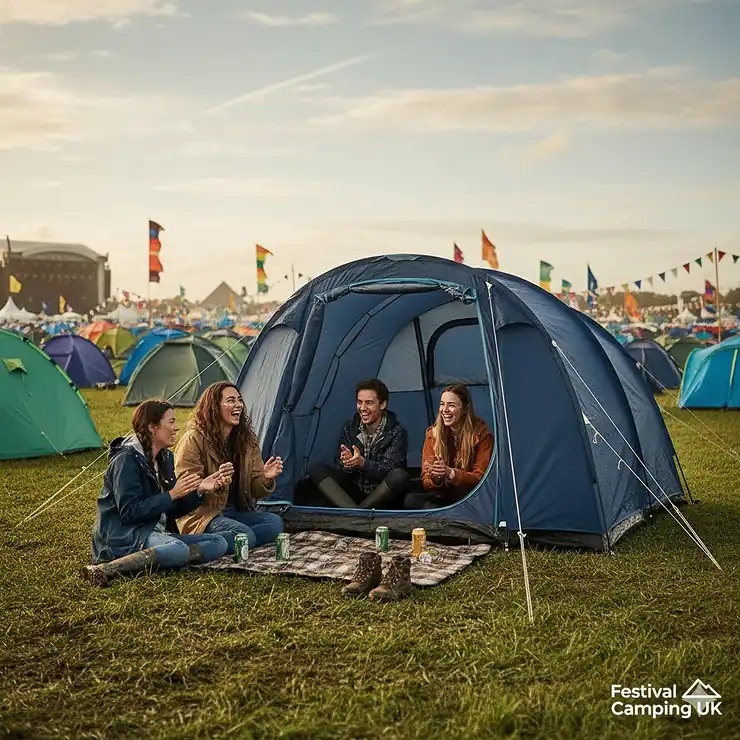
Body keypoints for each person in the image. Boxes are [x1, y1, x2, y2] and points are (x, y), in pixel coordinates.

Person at [81, 400, 229, 587]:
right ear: (152, 427)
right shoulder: (126, 460)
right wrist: (171, 495)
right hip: (125, 535)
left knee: (219, 542)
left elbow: (171, 511)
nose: (176, 428)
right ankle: (108, 568)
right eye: (171, 422)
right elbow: (129, 513)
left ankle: (169, 556)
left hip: (155, 531)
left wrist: (199, 490)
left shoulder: (165, 458)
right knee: (179, 549)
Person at [175, 381, 284, 552]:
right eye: (231, 401)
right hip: (204, 514)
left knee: (274, 523)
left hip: (235, 512)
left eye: (239, 400)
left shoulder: (247, 441)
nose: (238, 405)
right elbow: (184, 485)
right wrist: (208, 484)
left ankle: (229, 541)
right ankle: (193, 542)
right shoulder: (194, 439)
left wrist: (265, 478)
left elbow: (255, 490)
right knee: (244, 535)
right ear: (214, 407)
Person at [309, 379, 410, 508]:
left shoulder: (397, 431)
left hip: (383, 495)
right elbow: (339, 467)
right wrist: (347, 464)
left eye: (369, 403)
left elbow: (389, 469)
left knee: (399, 476)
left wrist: (363, 463)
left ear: (383, 404)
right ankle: (357, 513)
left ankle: (354, 514)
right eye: (359, 402)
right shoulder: (349, 428)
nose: (363, 408)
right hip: (355, 491)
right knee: (316, 469)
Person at [406, 385, 494, 509]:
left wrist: (451, 473)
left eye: (451, 405)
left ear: (465, 409)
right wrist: (435, 477)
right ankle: (446, 519)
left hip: (471, 499)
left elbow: (480, 478)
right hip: (444, 498)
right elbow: (426, 482)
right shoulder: (433, 434)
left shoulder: (481, 434)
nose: (445, 410)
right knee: (411, 500)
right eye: (442, 404)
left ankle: (447, 519)